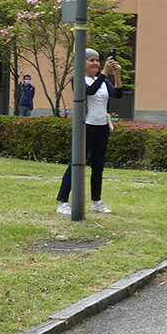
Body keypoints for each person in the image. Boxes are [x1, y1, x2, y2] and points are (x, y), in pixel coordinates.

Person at [56, 48, 122, 216]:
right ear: (82, 63)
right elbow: (89, 91)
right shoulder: (77, 79)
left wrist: (116, 74)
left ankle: (96, 201)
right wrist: (105, 73)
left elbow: (118, 94)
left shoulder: (103, 80)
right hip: (86, 126)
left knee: (98, 166)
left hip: (102, 126)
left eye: (97, 60)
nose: (96, 64)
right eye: (91, 60)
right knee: (75, 164)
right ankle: (63, 202)